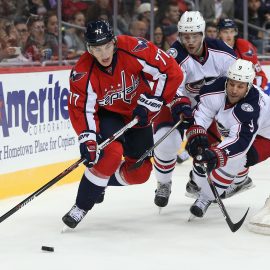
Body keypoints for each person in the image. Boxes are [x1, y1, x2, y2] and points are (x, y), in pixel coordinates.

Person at [62, 20, 184, 229]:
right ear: (89, 49)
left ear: (114, 42)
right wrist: (88, 138)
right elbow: (82, 109)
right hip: (108, 116)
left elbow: (170, 72)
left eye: (107, 46)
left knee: (140, 173)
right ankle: (81, 205)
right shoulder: (83, 71)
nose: (104, 53)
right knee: (110, 153)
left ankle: (100, 181)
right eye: (97, 48)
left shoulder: (135, 48)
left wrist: (152, 103)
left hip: (138, 113)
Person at [152, 11, 237, 208]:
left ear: (203, 33)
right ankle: (164, 184)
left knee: (207, 152)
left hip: (206, 109)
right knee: (167, 142)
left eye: (194, 36)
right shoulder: (174, 55)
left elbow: (234, 86)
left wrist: (226, 115)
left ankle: (197, 182)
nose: (189, 41)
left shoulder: (223, 53)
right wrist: (182, 107)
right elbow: (173, 88)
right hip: (175, 105)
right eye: (185, 36)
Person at [185, 59, 270, 218]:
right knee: (208, 151)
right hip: (245, 132)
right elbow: (202, 114)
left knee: (238, 158)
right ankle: (239, 179)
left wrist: (217, 154)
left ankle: (206, 197)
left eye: (240, 86)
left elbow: (240, 142)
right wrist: (196, 133)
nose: (234, 90)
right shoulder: (214, 90)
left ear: (248, 86)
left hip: (266, 137)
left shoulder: (252, 106)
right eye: (231, 84)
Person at [217, 18, 268, 90]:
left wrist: (258, 90)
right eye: (225, 32)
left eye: (231, 32)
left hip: (245, 87)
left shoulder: (244, 45)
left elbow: (258, 73)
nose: (229, 35)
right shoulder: (213, 48)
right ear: (219, 33)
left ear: (235, 32)